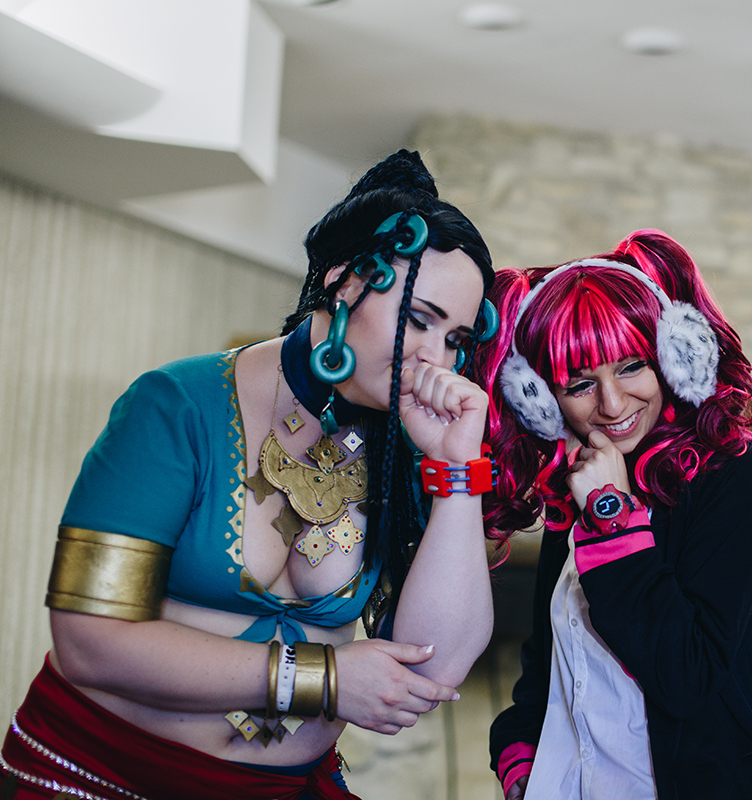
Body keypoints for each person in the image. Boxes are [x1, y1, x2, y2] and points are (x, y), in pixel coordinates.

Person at [0, 150, 498, 799]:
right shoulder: (175, 404)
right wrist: (324, 679)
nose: (436, 359)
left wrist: (457, 472)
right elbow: (88, 643)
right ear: (344, 283)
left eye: (456, 339)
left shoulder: (408, 442)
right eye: (419, 320)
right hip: (99, 777)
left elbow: (437, 669)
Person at [482, 229, 752, 800]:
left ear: (674, 359)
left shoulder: (734, 471)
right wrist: (521, 760)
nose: (611, 404)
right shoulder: (581, 482)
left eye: (631, 366)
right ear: (540, 398)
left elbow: (687, 673)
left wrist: (613, 516)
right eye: (580, 383)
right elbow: (548, 663)